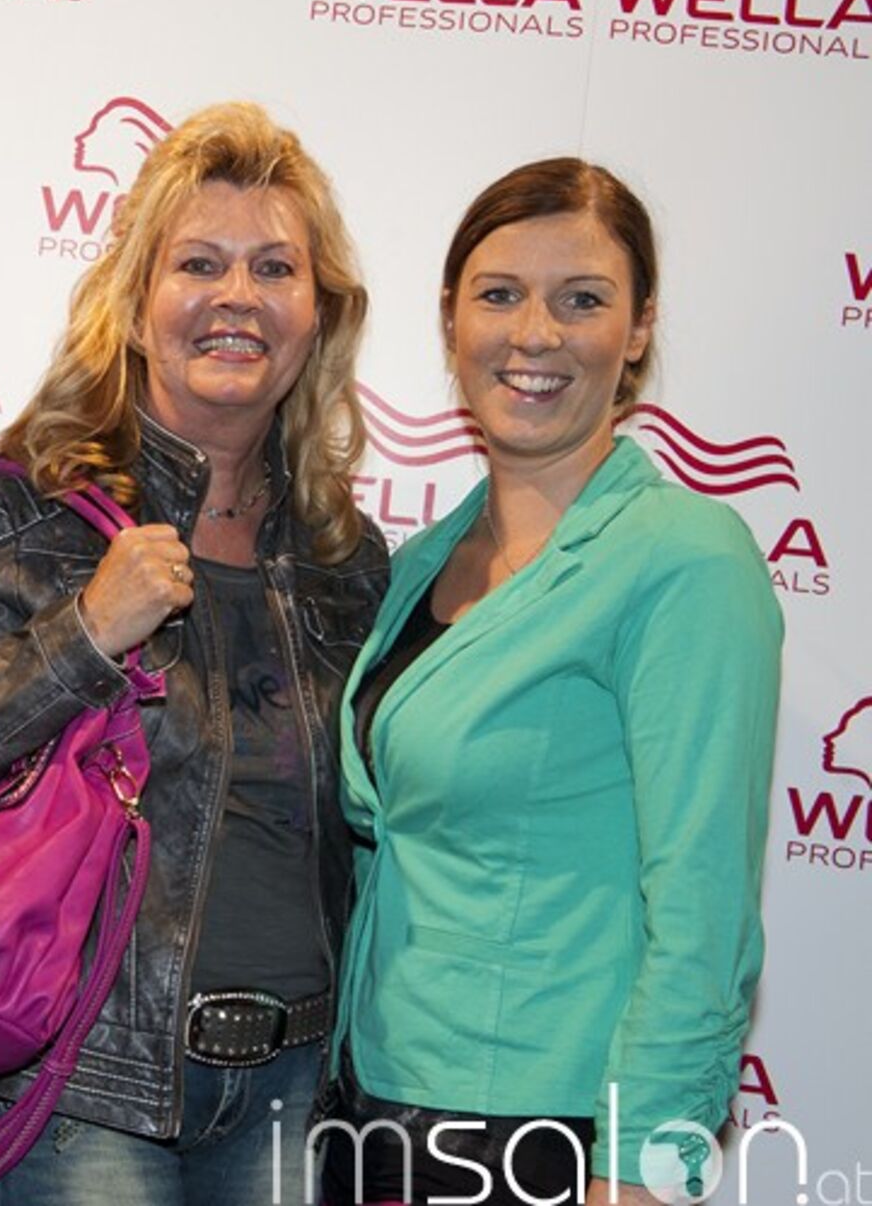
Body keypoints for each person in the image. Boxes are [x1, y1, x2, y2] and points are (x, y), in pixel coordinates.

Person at [0, 101, 387, 1205]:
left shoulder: (346, 557)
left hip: (294, 1088)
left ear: (317, 314)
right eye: (199, 263)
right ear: (135, 308)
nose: (238, 296)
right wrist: (83, 634)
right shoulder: (25, 511)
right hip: (83, 1087)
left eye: (275, 267)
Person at [323, 158, 783, 1206]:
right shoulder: (417, 565)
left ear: (639, 328)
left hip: (554, 1137)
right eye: (499, 295)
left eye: (581, 300)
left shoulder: (686, 560)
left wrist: (645, 1170)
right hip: (371, 1108)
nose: (535, 334)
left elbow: (704, 908)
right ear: (451, 319)